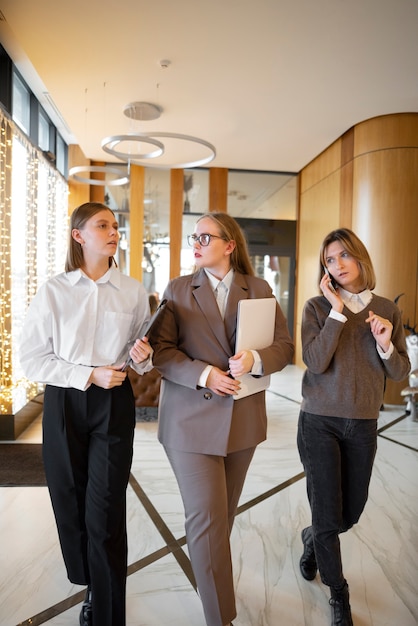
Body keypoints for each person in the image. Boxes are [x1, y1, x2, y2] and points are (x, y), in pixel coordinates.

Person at [150, 212, 294, 626]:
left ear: (229, 245)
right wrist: (203, 373)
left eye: (204, 236)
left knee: (221, 517)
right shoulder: (178, 289)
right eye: (193, 236)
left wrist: (256, 359)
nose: (195, 242)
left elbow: (283, 346)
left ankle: (210, 578)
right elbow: (162, 352)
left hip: (242, 422)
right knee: (208, 518)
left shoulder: (260, 289)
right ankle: (221, 617)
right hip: (188, 422)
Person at [19, 202, 153, 626]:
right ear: (79, 235)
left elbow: (143, 359)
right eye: (103, 225)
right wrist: (87, 374)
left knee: (106, 509)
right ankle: (90, 581)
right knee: (70, 501)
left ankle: (108, 610)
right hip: (64, 404)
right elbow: (32, 360)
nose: (114, 232)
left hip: (114, 406)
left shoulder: (133, 291)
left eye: (116, 226)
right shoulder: (55, 290)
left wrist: (144, 357)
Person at [297, 228, 410, 626]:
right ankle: (338, 595)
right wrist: (336, 311)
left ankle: (311, 541)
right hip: (319, 423)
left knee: (350, 513)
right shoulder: (315, 307)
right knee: (328, 515)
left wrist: (384, 342)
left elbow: (399, 371)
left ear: (361, 258)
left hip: (363, 424)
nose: (338, 264)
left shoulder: (386, 310)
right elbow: (315, 361)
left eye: (344, 255)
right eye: (330, 260)